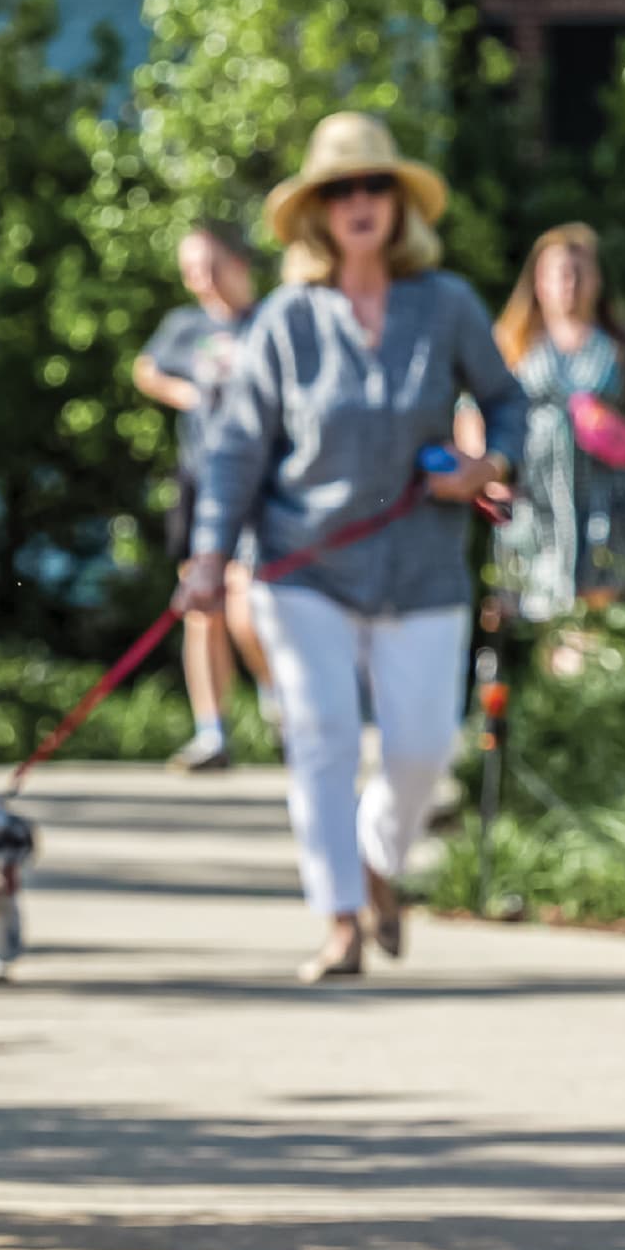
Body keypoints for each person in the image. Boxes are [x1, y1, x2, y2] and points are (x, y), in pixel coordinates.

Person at [178, 112, 523, 981]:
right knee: (324, 738)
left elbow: (511, 403)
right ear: (318, 214)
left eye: (376, 187)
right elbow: (236, 450)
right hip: (306, 567)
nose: (360, 203)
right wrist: (212, 557)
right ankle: (338, 921)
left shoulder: (446, 304)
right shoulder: (287, 321)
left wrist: (485, 463)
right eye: (341, 191)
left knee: (420, 749)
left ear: (400, 205)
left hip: (423, 562)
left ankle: (374, 864)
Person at [485, 224, 625, 667]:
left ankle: (582, 717)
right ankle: (538, 716)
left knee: (595, 625)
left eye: (579, 273)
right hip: (531, 507)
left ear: (597, 280)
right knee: (527, 621)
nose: (568, 284)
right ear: (537, 282)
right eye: (558, 273)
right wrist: (486, 477)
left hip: (603, 505)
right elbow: (470, 408)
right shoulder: (512, 341)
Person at [132, 220, 272, 771]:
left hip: (265, 481)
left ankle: (277, 696)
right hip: (200, 477)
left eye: (210, 265)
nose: (200, 279)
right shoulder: (184, 325)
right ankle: (211, 731)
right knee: (201, 603)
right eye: (191, 269)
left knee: (248, 605)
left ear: (240, 263)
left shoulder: (272, 320)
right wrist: (186, 394)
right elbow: (145, 369)